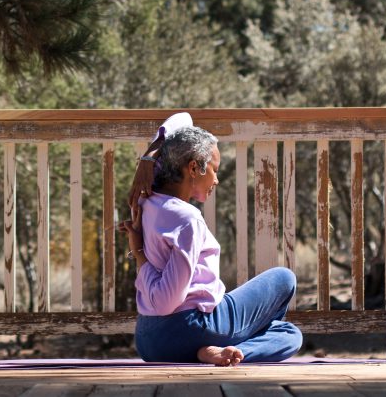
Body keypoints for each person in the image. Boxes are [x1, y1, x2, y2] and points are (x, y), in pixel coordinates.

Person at [119, 115, 302, 366]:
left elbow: (182, 118)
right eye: (214, 169)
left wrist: (148, 157)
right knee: (285, 280)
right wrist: (139, 254)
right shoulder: (187, 219)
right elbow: (165, 301)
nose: (216, 179)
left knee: (288, 334)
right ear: (193, 168)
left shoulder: (144, 202)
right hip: (190, 328)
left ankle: (214, 351)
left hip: (149, 342)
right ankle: (216, 350)